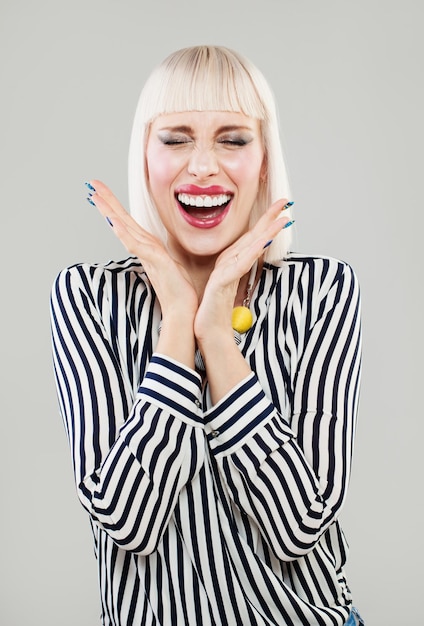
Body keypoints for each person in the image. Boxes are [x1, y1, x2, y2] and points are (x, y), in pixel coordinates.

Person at [50, 45, 364, 626]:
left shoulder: (322, 291)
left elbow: (299, 526)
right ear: (144, 157)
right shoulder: (87, 298)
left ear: (264, 159)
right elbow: (127, 521)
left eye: (232, 139)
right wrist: (177, 316)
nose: (202, 167)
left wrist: (217, 335)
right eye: (175, 139)